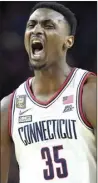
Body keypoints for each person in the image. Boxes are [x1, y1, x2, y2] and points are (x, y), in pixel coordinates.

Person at [1, 2, 96, 183]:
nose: (36, 30)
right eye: (31, 25)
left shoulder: (89, 93)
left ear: (68, 41)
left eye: (48, 25)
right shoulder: (9, 107)